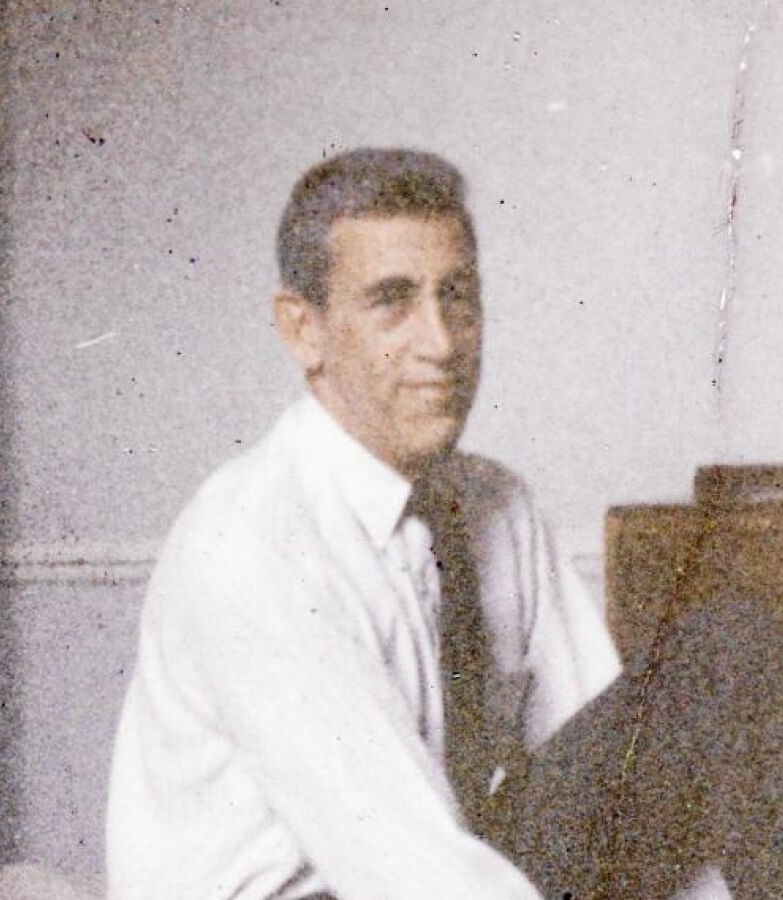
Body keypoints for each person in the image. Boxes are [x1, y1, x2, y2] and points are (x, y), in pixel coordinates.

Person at [105, 148, 621, 899]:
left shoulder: (495, 505)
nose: (441, 343)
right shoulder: (252, 543)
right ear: (303, 331)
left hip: (423, 869)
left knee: (722, 664)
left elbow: (614, 776)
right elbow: (407, 872)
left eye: (457, 296)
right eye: (392, 302)